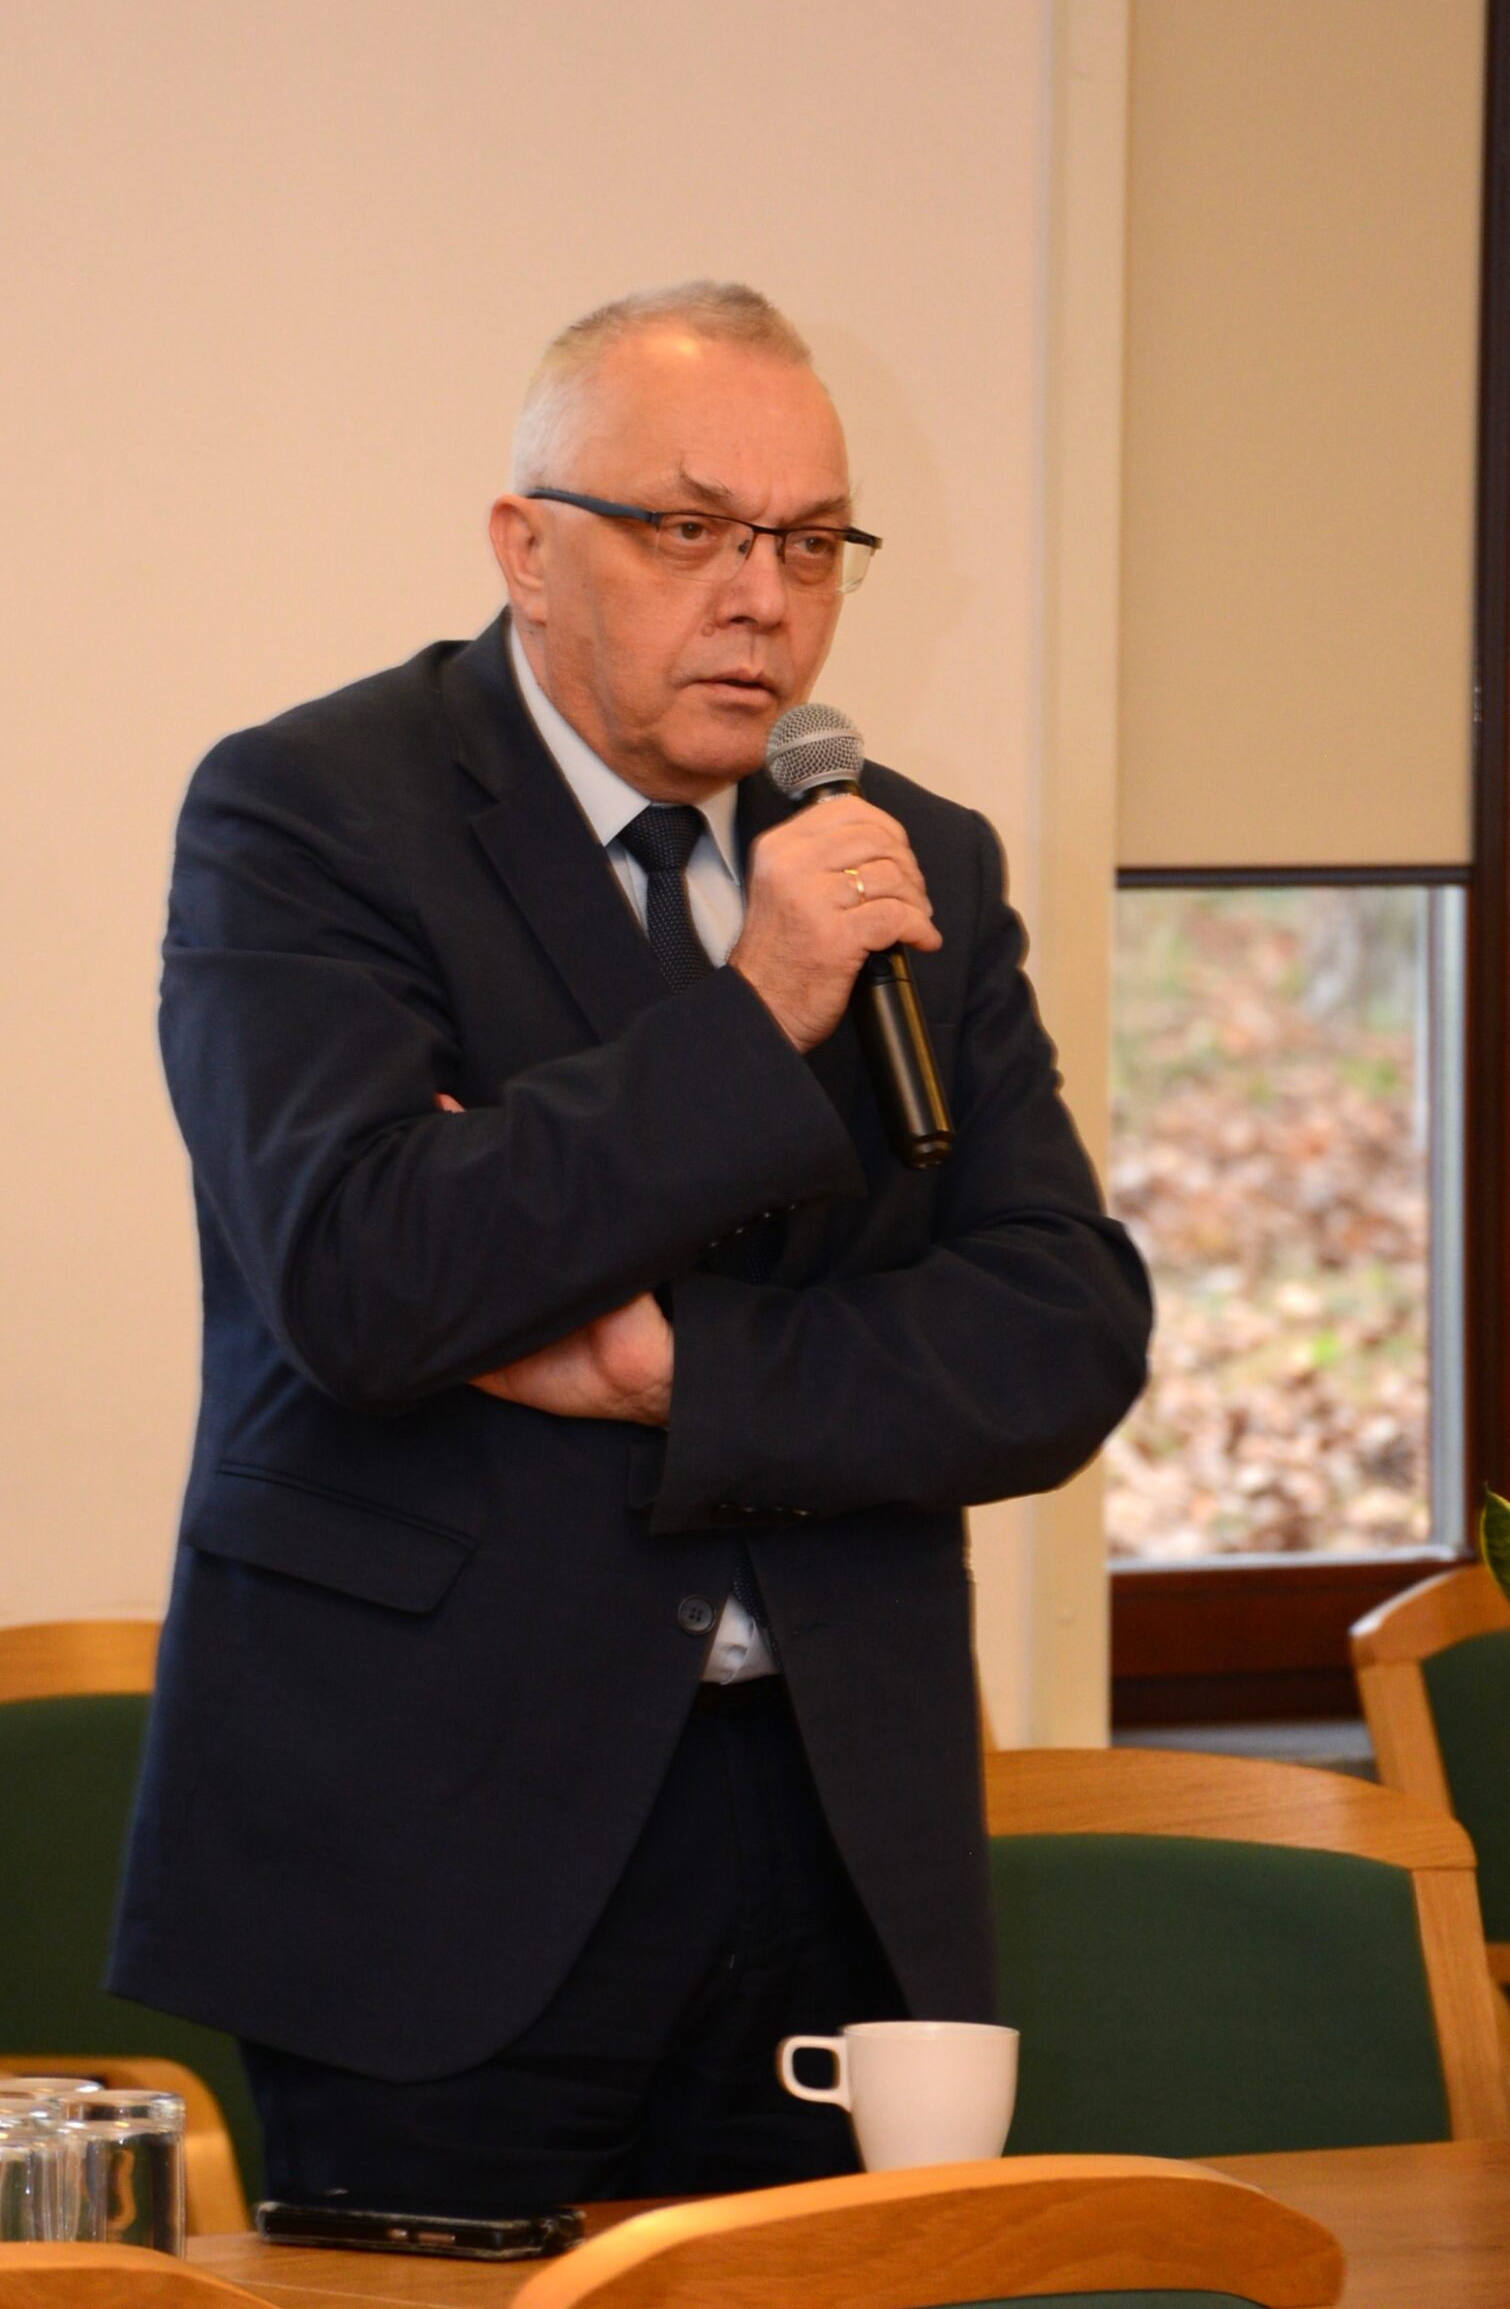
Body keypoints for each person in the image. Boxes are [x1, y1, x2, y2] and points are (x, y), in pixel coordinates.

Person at [110, 281, 1151, 2213]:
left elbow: (1059, 1331)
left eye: (810, 543)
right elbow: (365, 1277)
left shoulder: (906, 856)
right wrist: (757, 1010)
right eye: (689, 530)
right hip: (435, 1843)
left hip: (835, 1830)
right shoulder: (311, 812)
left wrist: (684, 1373)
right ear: (526, 547)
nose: (761, 599)